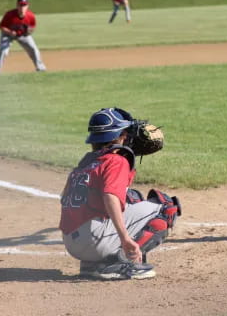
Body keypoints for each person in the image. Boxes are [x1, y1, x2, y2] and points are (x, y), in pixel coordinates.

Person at [59, 107, 180, 280]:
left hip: (73, 244)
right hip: (94, 242)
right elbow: (110, 197)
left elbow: (64, 198)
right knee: (166, 207)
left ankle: (92, 264)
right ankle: (120, 262)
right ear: (120, 135)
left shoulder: (87, 161)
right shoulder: (117, 160)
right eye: (126, 132)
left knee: (132, 197)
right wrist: (124, 238)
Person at [0, 0, 46, 75]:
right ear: (17, 5)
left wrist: (29, 31)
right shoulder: (9, 15)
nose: (22, 7)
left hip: (22, 34)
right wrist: (10, 32)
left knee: (34, 49)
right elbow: (1, 26)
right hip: (8, 34)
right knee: (3, 50)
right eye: (20, 5)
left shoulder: (30, 16)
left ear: (27, 6)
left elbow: (32, 27)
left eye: (24, 5)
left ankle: (40, 68)